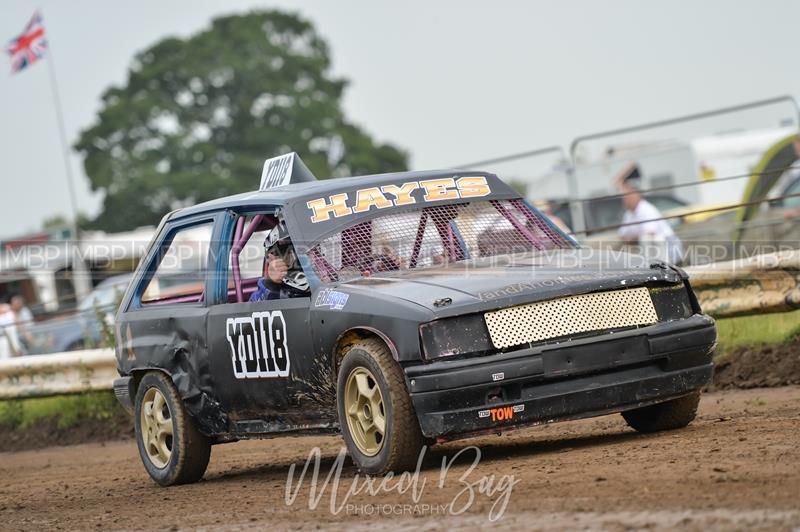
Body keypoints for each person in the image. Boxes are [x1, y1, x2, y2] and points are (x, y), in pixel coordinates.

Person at [614, 163, 684, 265]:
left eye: (627, 197)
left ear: (635, 195)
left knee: (648, 239)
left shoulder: (646, 209)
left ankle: (659, 269)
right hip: (655, 249)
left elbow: (649, 233)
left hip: (668, 246)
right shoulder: (629, 213)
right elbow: (622, 234)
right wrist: (633, 237)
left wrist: (632, 238)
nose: (624, 200)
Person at [250, 221, 310, 301]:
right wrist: (272, 284)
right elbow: (256, 307)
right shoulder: (271, 288)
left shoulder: (328, 274)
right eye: (289, 255)